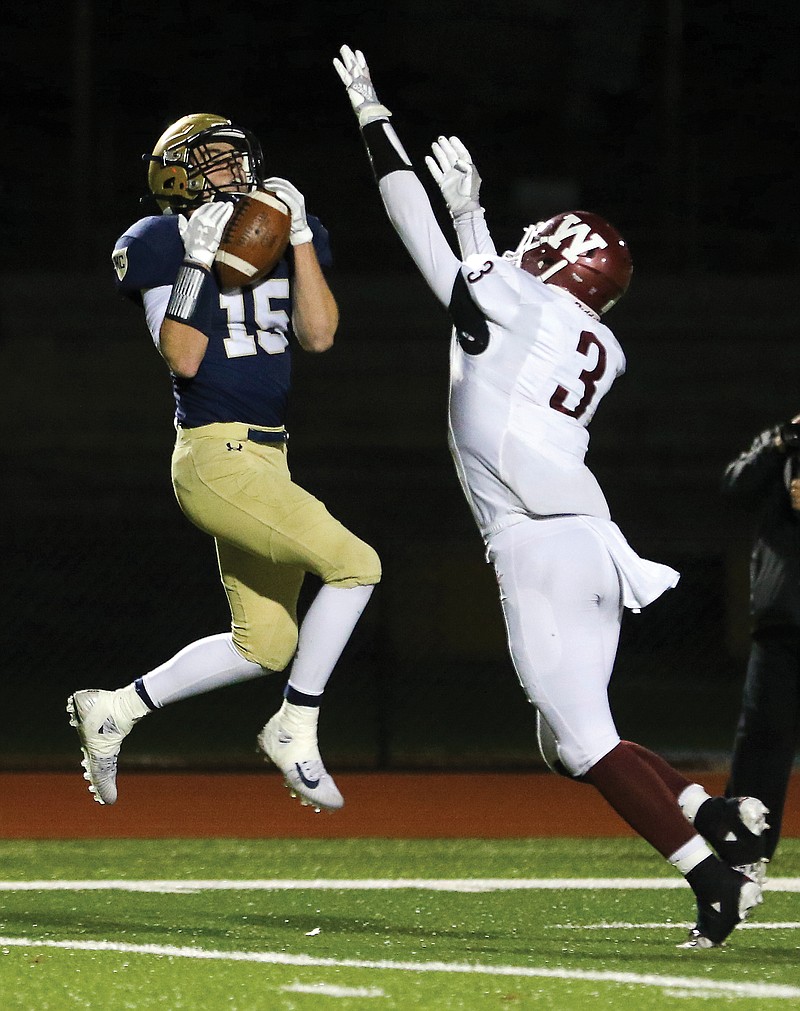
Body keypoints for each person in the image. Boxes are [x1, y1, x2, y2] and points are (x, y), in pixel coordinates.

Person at [334, 45, 767, 947]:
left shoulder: (518, 307)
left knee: (581, 738)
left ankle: (714, 878)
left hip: (540, 542)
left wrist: (382, 127)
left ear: (556, 256)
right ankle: (710, 812)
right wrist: (477, 232)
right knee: (567, 739)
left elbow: (427, 241)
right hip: (588, 542)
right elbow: (491, 303)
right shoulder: (594, 342)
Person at [66, 113, 380, 813]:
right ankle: (295, 724)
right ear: (173, 174)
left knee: (266, 643)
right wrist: (198, 261)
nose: (231, 171)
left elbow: (320, 335)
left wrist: (296, 235)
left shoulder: (278, 229)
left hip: (271, 456)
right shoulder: (156, 240)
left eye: (236, 158)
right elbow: (182, 356)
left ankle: (116, 709)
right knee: (357, 564)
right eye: (211, 161)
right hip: (215, 453)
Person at [722, 416, 800, 877]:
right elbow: (734, 488)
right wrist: (775, 445)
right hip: (784, 622)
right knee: (761, 746)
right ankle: (744, 861)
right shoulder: (782, 442)